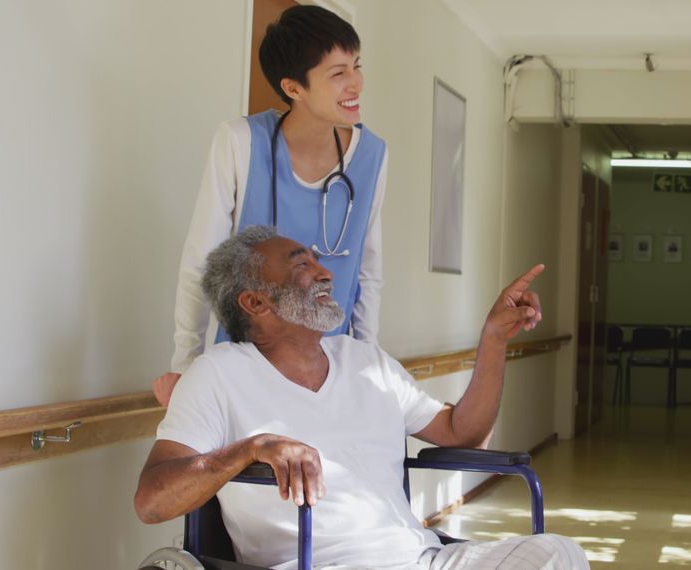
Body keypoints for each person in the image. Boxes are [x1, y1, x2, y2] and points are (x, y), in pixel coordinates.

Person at [134, 226, 588, 570]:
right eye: (301, 266)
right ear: (255, 303)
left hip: (420, 558)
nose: (325, 272)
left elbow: (461, 433)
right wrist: (251, 448)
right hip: (321, 564)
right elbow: (152, 501)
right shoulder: (218, 373)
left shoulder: (364, 360)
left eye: (317, 261)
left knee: (557, 554)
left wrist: (493, 339)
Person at [154, 5, 386, 405]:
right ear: (294, 88)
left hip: (331, 371)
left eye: (356, 65)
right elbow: (199, 262)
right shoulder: (240, 142)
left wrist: (367, 364)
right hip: (244, 366)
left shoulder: (372, 157)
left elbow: (368, 273)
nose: (356, 83)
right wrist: (186, 366)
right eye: (338, 73)